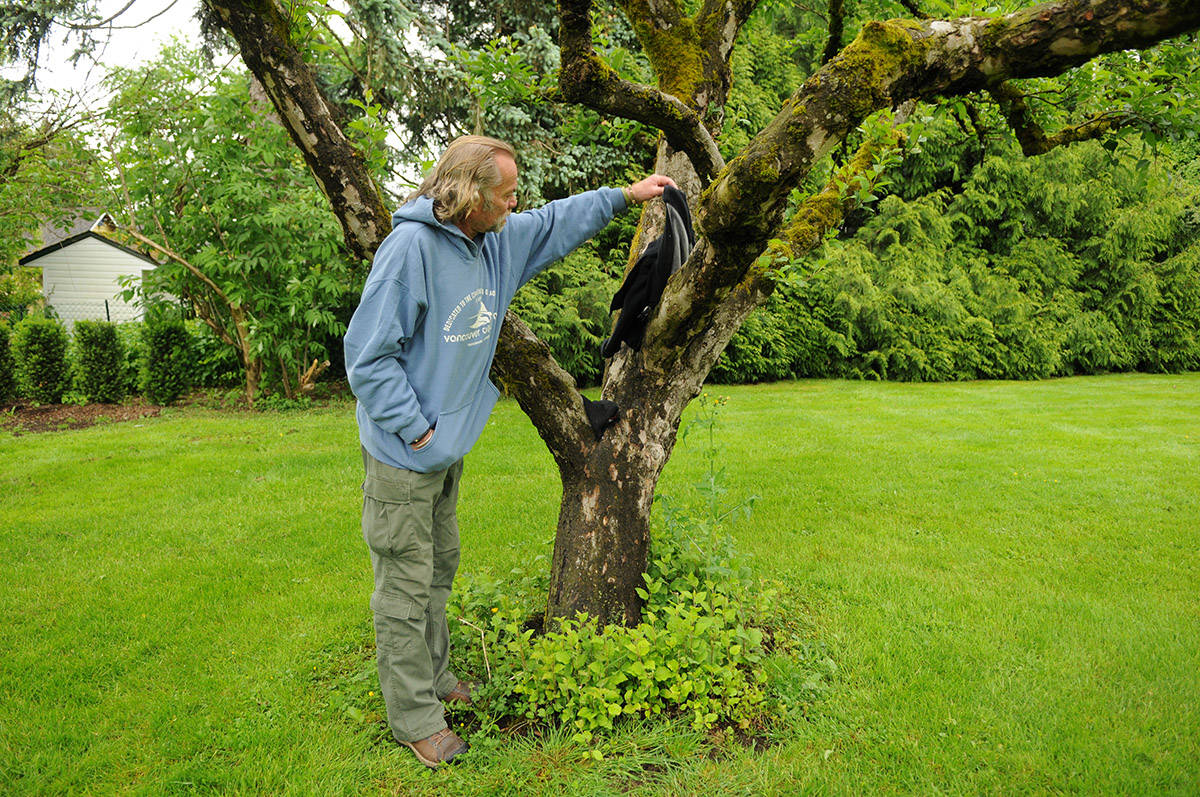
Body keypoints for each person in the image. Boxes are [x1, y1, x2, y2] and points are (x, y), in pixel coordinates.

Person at [344, 135, 675, 769]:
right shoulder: (409, 251)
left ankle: (435, 681)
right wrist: (416, 431)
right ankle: (414, 717)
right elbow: (368, 357)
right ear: (469, 196)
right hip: (403, 453)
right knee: (405, 586)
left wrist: (625, 197)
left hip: (443, 448)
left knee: (439, 567)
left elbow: (552, 223)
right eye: (505, 194)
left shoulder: (493, 242)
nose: (515, 202)